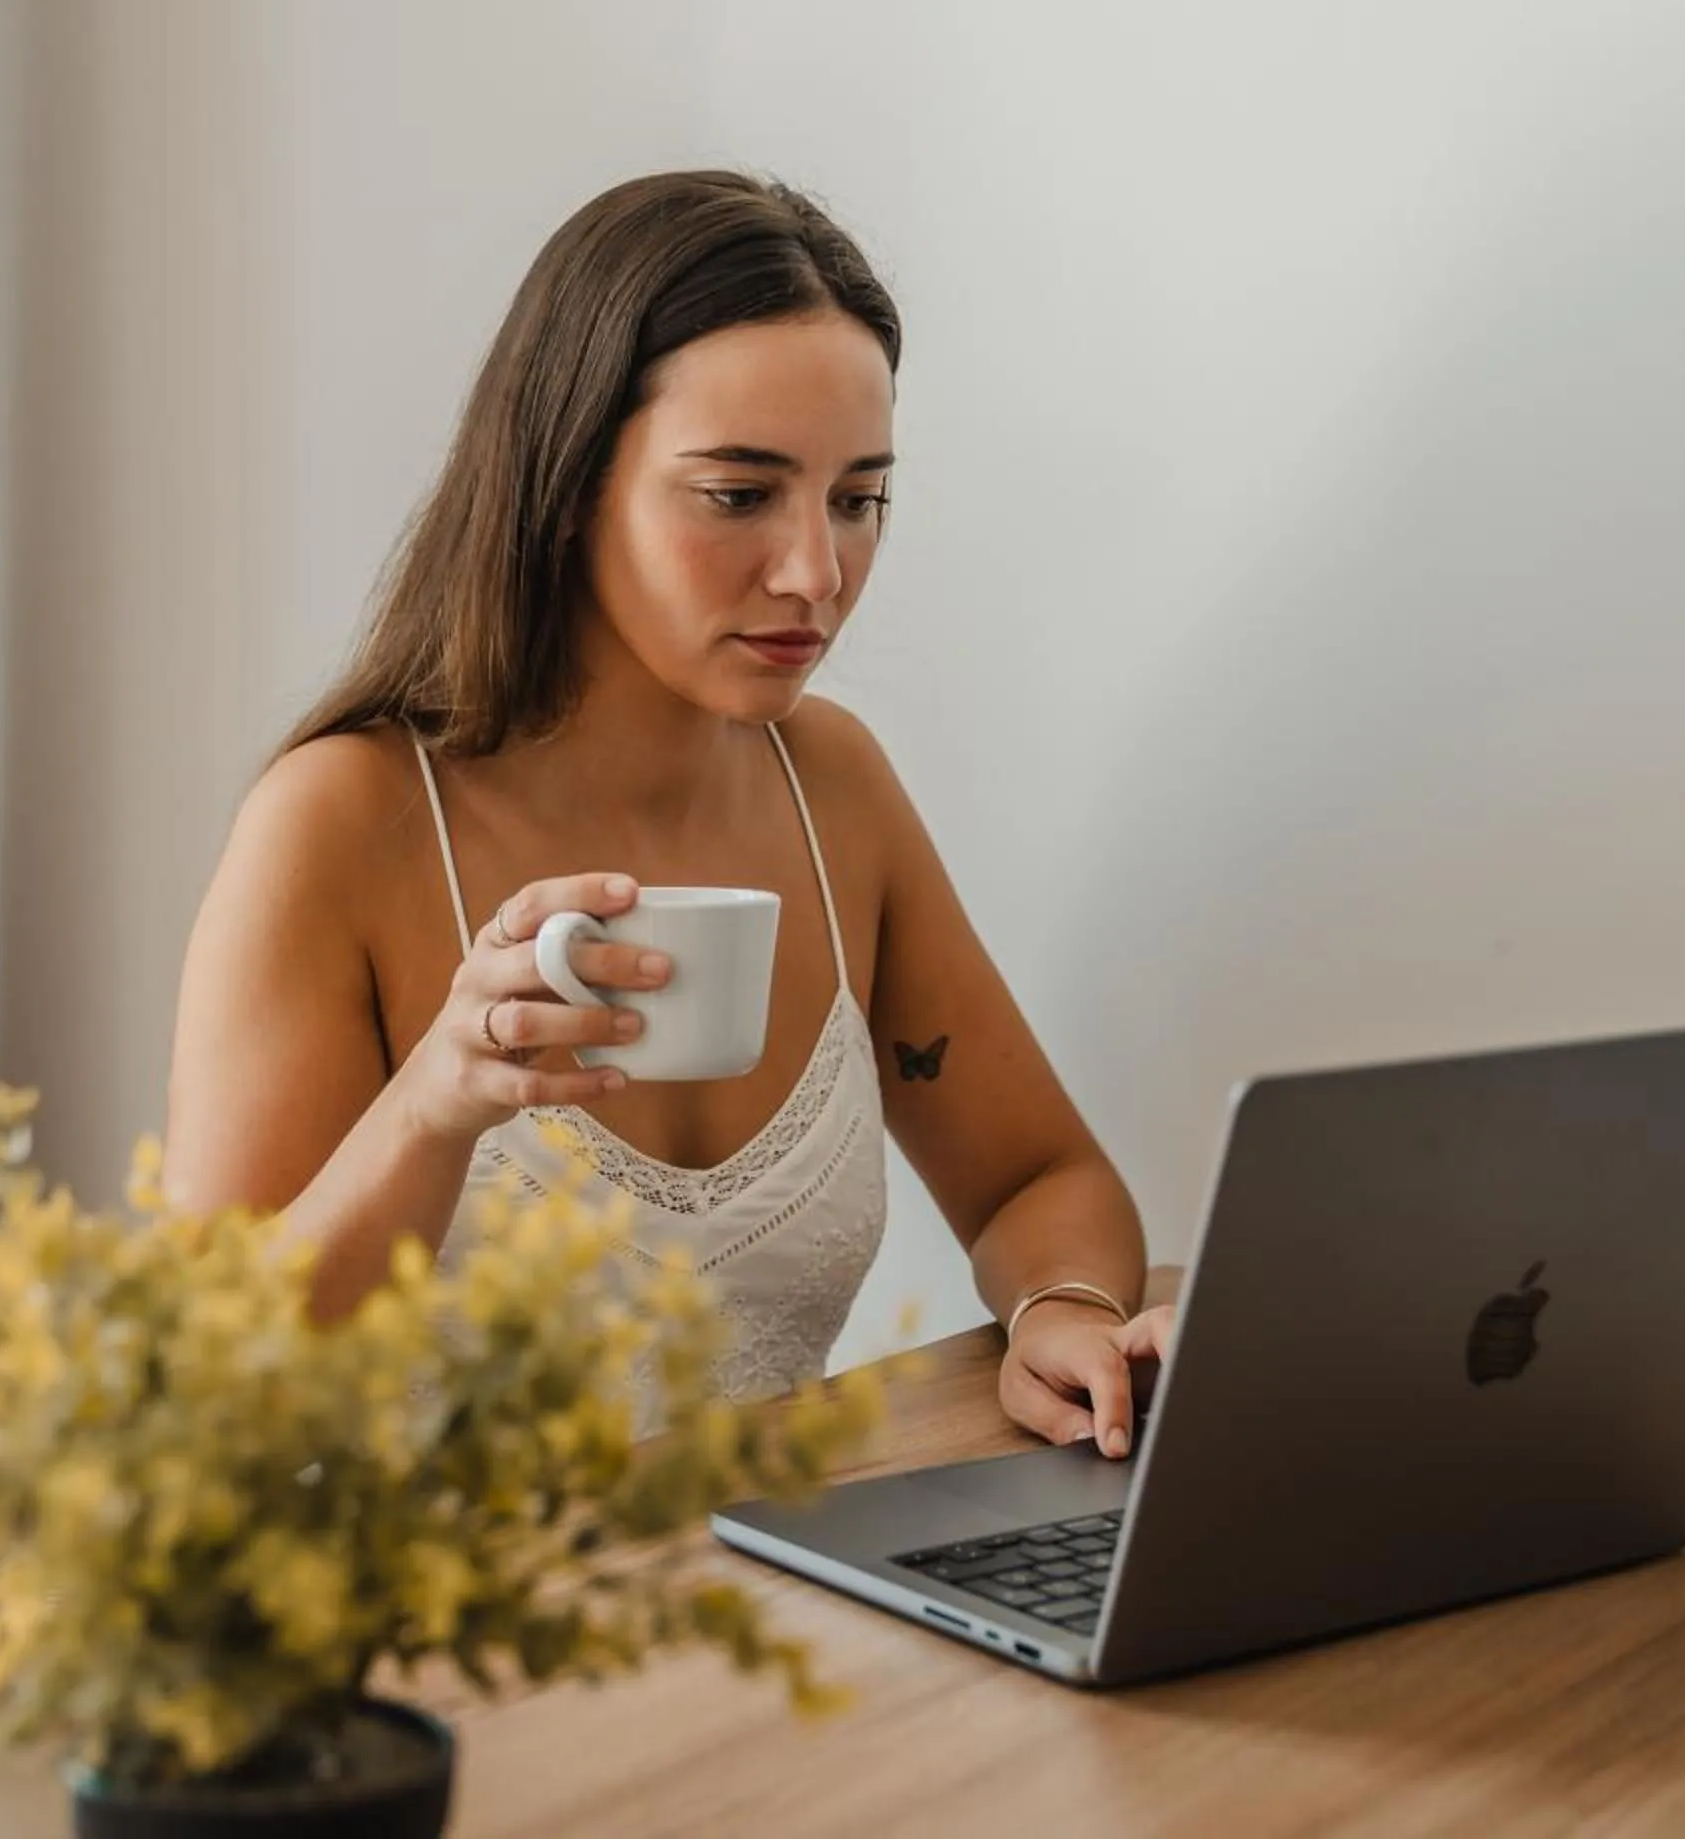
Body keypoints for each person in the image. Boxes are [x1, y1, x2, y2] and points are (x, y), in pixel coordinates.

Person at [163, 171, 1170, 1457]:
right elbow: (204, 1390)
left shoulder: (835, 789)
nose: (816, 570)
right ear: (572, 478)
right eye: (741, 494)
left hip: (775, 1615)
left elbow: (1044, 1178)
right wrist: (434, 1104)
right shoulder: (340, 821)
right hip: (428, 1636)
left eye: (858, 497)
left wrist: (1065, 1309)